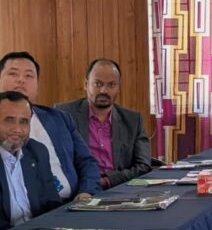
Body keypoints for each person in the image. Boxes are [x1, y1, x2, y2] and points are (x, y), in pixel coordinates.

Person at [0, 52, 98, 200]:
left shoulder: (59, 118)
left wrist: (86, 191)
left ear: (37, 85)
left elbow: (87, 161)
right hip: (28, 209)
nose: (21, 80)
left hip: (73, 202)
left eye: (29, 75)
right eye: (13, 74)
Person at [56, 59, 151, 189]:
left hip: (120, 188)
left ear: (118, 87)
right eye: (98, 84)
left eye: (111, 85)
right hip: (79, 190)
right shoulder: (64, 114)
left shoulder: (133, 121)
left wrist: (108, 181)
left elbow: (143, 166)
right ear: (86, 84)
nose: (103, 91)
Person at [0, 91, 61, 230]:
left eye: (24, 122)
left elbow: (51, 202)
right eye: (9, 120)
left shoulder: (37, 151)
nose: (17, 129)